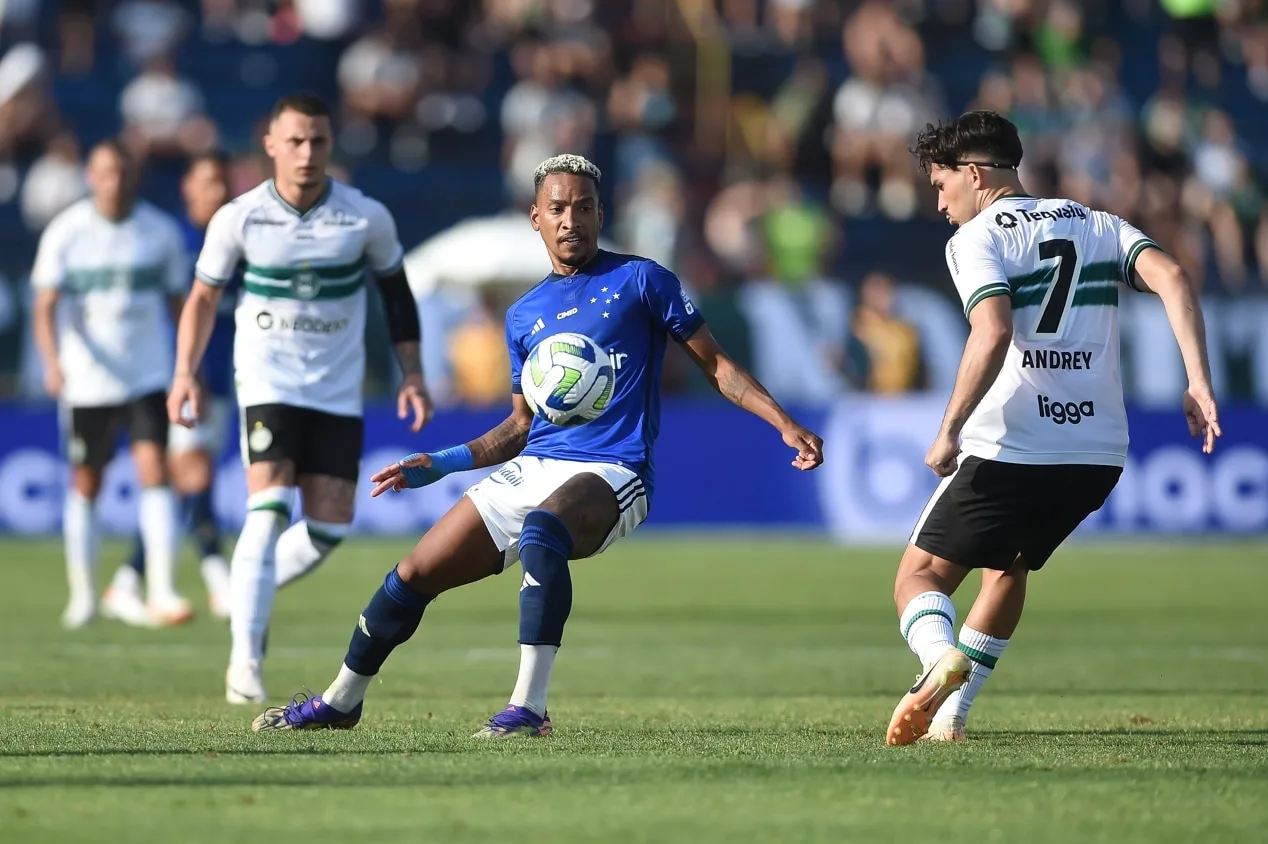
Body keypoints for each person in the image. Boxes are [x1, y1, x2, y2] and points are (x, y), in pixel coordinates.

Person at [250, 153, 825, 736]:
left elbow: (718, 366)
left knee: (543, 531)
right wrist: (442, 464)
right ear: (536, 219)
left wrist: (782, 422)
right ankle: (340, 702)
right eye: (557, 209)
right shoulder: (524, 314)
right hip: (535, 465)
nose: (570, 219)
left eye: (582, 207)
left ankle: (528, 709)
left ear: (601, 214)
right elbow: (519, 426)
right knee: (411, 573)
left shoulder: (642, 280)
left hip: (614, 470)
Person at [885, 111, 1221, 746]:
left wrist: (949, 426)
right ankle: (951, 717)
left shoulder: (978, 238)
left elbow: (993, 330)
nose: (939, 201)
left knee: (919, 576)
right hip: (1096, 452)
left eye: (940, 184)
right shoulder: (1095, 222)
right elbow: (1174, 277)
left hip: (1013, 440)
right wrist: (1199, 380)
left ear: (975, 174)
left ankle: (937, 661)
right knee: (1008, 567)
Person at [167, 93, 433, 705]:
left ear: (330, 144)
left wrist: (412, 374)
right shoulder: (239, 217)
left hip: (337, 392)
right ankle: (245, 659)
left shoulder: (364, 217)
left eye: (317, 141)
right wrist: (184, 373)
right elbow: (203, 300)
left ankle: (245, 586)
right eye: (295, 141)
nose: (307, 153)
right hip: (267, 382)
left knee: (329, 528)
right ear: (270, 145)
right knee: (268, 509)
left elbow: (397, 296)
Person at [31, 140, 192, 630]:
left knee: (155, 472)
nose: (114, 181)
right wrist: (52, 363)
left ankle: (162, 588)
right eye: (105, 172)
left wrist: (187, 367)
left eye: (122, 172)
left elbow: (178, 304)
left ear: (134, 176)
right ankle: (83, 595)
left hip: (147, 373)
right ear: (90, 176)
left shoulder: (159, 232)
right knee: (87, 482)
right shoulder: (68, 232)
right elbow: (45, 304)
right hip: (87, 380)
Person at [107, 153, 235, 626]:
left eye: (222, 183)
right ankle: (218, 577)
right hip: (181, 381)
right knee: (193, 471)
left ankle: (125, 579)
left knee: (188, 482)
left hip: (224, 381)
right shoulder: (171, 241)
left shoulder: (238, 239)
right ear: (187, 188)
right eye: (207, 183)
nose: (217, 193)